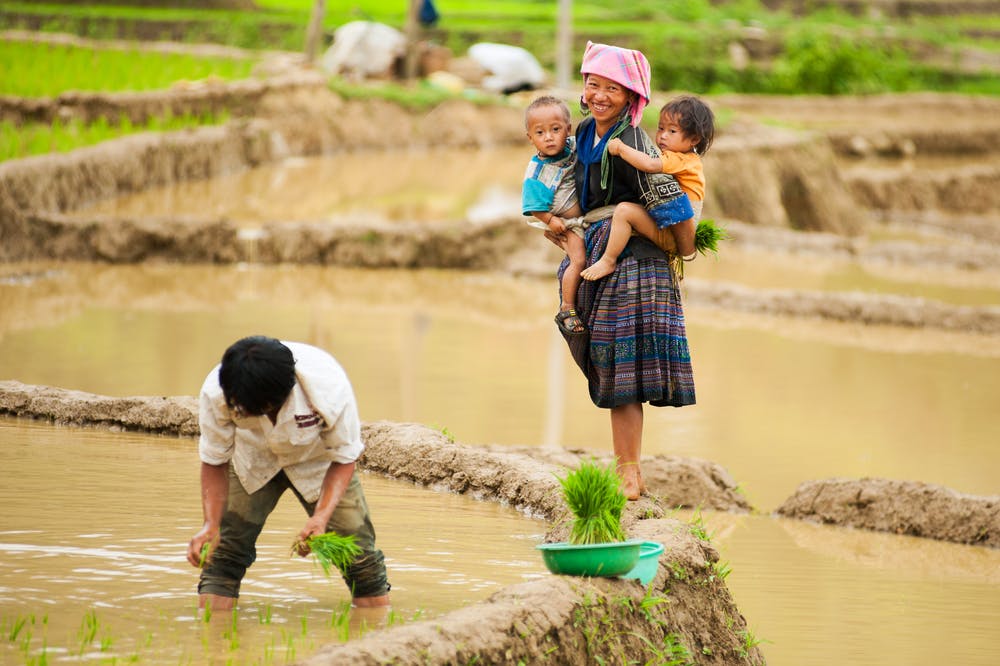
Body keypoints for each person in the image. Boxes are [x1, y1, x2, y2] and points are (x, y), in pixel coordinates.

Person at [545, 42, 696, 500]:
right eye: (593, 85)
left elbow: (674, 202)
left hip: (635, 264)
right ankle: (626, 472)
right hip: (599, 253)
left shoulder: (633, 142)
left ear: (632, 97)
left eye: (613, 88)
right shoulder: (586, 132)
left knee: (622, 369)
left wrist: (684, 247)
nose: (600, 94)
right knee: (611, 366)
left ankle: (629, 476)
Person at [186, 336, 390, 611]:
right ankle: (213, 641)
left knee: (358, 556)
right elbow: (214, 460)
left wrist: (321, 517)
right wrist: (210, 524)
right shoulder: (217, 391)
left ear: (285, 393)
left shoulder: (328, 387)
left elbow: (344, 457)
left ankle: (376, 636)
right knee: (224, 552)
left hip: (318, 460)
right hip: (252, 458)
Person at [580, 95, 715, 281]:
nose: (662, 136)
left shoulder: (681, 159)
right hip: (670, 227)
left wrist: (621, 149)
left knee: (625, 211)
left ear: (693, 139)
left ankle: (608, 260)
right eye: (661, 129)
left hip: (674, 233)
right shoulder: (682, 158)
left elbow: (650, 165)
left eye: (672, 131)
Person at [522, 95, 588, 335]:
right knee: (578, 260)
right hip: (568, 224)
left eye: (555, 129)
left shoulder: (574, 146)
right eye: (540, 133)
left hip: (586, 216)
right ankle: (567, 308)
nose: (548, 137)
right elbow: (534, 206)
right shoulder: (537, 173)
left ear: (568, 130)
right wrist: (551, 221)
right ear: (530, 138)